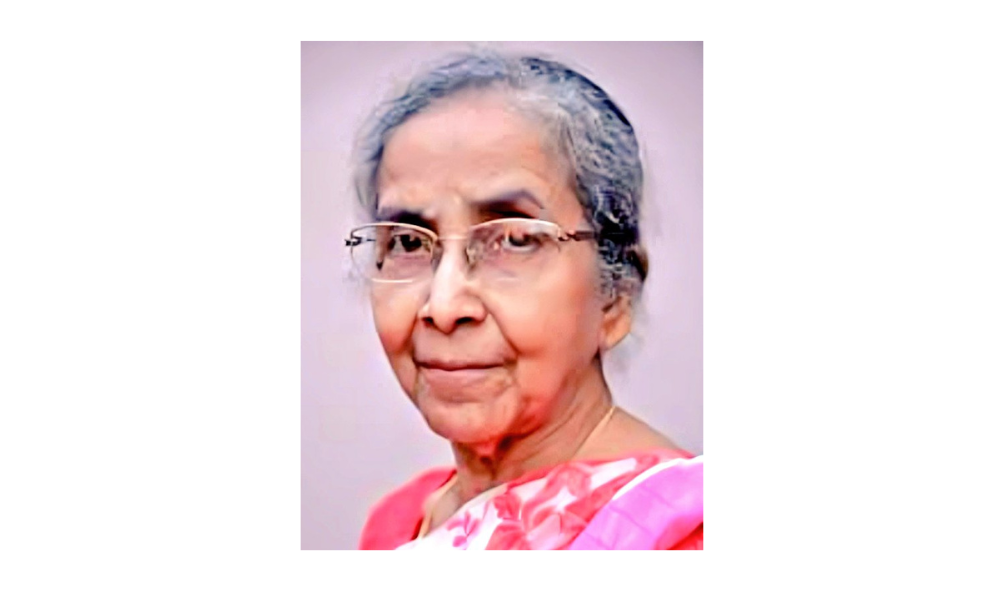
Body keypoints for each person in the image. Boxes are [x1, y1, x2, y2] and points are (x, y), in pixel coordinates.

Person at [345, 49, 703, 550]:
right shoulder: (400, 522)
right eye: (407, 241)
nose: (443, 307)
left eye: (513, 239)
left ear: (616, 295)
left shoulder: (682, 538)